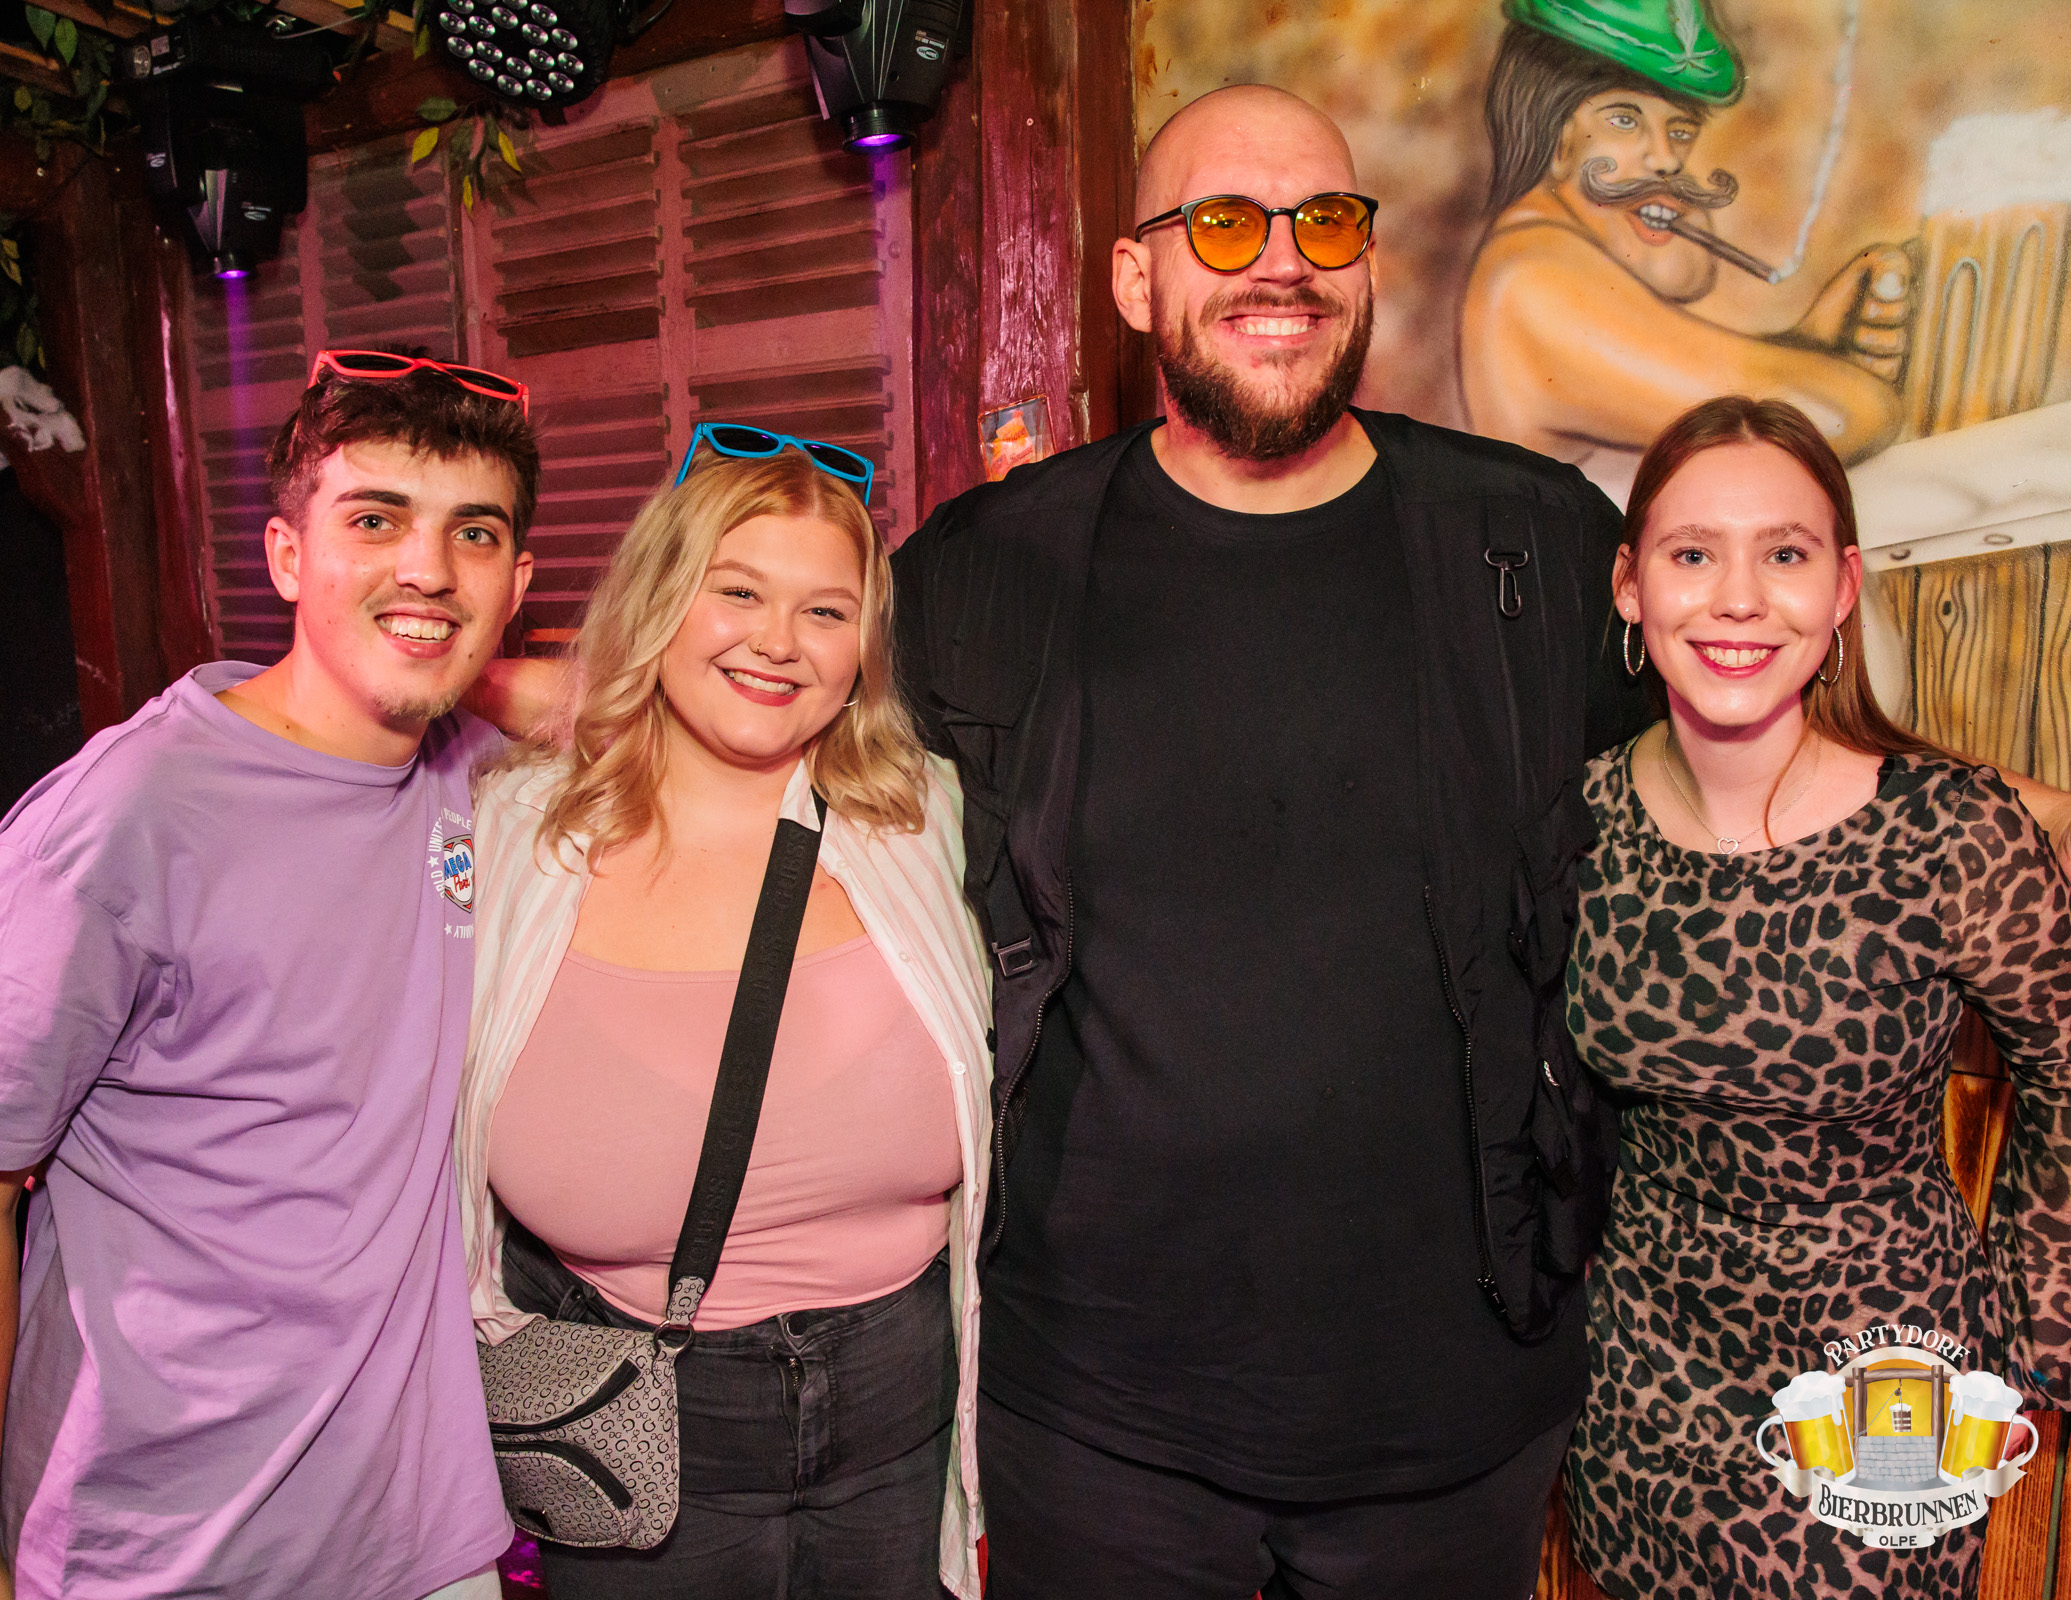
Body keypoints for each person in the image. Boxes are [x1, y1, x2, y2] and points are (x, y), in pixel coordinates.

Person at [888, 81, 1651, 1599]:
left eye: (1325, 222)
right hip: (1092, 1423)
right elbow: (773, 739)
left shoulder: (1530, 542)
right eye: (1225, 224)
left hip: (1454, 1416)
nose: (1283, 261)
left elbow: (1735, 750)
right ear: (1134, 279)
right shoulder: (991, 569)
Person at [0, 355, 537, 1599]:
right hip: (162, 1550)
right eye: (375, 520)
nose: (426, 568)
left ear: (516, 583)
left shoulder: (474, 775)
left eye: (472, 532)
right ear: (288, 556)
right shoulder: (128, 815)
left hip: (424, 1540)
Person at [459, 441, 990, 1599]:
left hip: (900, 1410)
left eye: (825, 610)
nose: (778, 641)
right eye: (737, 591)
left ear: (863, 649)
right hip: (629, 1415)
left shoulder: (926, 821)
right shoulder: (507, 836)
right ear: (660, 599)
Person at [1564, 395, 2071, 1599]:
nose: (1738, 598)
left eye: (1783, 554)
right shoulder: (1576, 821)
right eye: (1694, 554)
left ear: (1841, 587)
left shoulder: (1948, 832)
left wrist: (2033, 1341)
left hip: (1877, 1383)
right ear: (1630, 586)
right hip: (1637, 1385)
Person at [1460, 1, 1912, 505]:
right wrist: (1837, 378)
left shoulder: (1548, 260)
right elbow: (1845, 414)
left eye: (1679, 131)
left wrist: (1811, 345)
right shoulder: (1534, 277)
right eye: (1624, 120)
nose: (1666, 159)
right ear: (1554, 133)